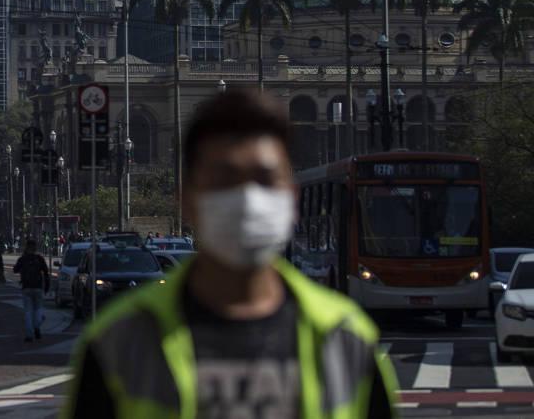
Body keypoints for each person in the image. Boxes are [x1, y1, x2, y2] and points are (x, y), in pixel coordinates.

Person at [63, 90, 397, 418]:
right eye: (225, 179)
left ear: (292, 197)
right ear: (187, 199)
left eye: (265, 179)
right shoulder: (119, 341)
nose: (248, 198)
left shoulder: (346, 337)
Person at [13, 238, 50, 342]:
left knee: (28, 312)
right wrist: (46, 287)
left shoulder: (23, 258)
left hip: (26, 287)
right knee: (38, 309)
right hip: (38, 287)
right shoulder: (39, 258)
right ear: (35, 248)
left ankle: (29, 334)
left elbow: (15, 269)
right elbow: (46, 273)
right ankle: (37, 326)